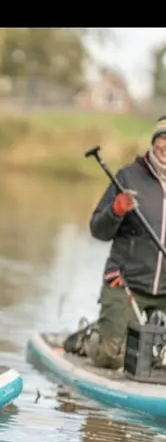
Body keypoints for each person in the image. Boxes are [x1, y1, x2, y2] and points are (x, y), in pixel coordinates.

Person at [65, 116, 166, 369]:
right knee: (113, 358)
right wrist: (116, 210)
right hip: (125, 283)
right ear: (154, 141)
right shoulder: (129, 177)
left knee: (155, 360)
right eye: (162, 138)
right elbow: (98, 230)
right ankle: (89, 339)